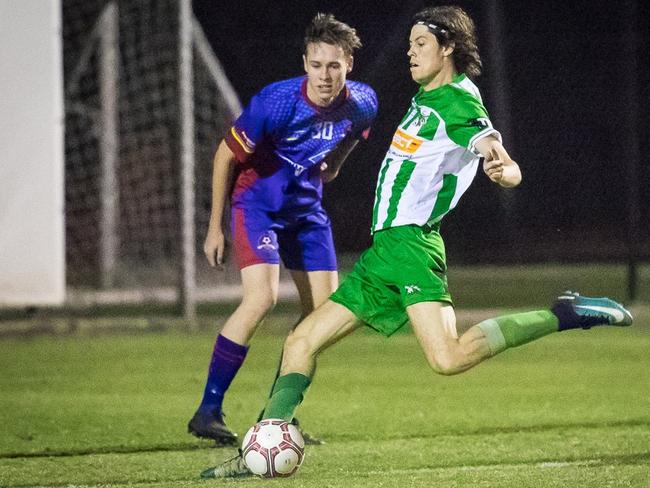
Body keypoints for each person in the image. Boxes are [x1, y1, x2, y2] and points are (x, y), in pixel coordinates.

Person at [200, 5, 633, 477]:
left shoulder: (459, 102)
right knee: (300, 341)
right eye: (409, 44)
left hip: (410, 249)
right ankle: (257, 452)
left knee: (446, 358)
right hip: (384, 253)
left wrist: (503, 169)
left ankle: (562, 314)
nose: (410, 52)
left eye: (420, 44)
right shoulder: (428, 94)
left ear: (448, 48)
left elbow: (495, 150)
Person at [187, 13, 378, 446]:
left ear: (348, 64)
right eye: (317, 65)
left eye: (334, 66)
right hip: (258, 207)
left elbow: (352, 134)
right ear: (305, 63)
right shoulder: (275, 103)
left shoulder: (363, 101)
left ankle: (275, 419)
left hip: (307, 213)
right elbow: (224, 157)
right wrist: (214, 228)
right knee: (262, 298)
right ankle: (208, 409)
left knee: (321, 318)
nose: (325, 76)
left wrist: (334, 166)